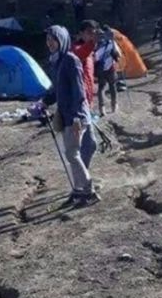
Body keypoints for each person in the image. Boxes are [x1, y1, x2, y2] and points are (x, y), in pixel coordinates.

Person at [45, 25, 100, 207]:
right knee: (71, 153)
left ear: (62, 40)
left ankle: (88, 190)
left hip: (76, 116)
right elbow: (58, 89)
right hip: (67, 114)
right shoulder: (57, 61)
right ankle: (78, 191)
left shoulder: (70, 60)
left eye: (53, 39)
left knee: (72, 153)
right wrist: (43, 103)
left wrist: (77, 117)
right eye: (48, 40)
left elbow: (79, 91)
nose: (50, 43)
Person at [72, 20, 100, 168]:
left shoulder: (90, 52)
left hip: (86, 103)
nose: (92, 35)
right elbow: (79, 55)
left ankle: (82, 179)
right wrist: (92, 43)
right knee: (88, 145)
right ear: (80, 33)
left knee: (87, 145)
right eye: (89, 32)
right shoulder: (76, 49)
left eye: (94, 32)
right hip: (78, 105)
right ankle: (81, 181)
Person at [94, 25, 120, 116]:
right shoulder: (111, 42)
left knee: (101, 88)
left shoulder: (97, 44)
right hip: (111, 68)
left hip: (100, 69)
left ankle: (102, 109)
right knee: (113, 86)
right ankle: (114, 106)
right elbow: (118, 54)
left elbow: (95, 58)